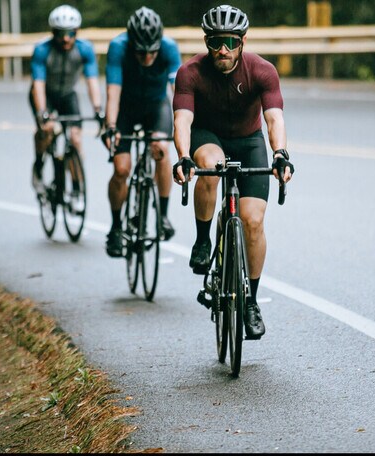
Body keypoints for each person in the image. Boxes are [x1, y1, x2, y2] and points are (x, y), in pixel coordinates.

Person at [172, 4, 294, 340]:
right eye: (214, 42)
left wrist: (281, 153)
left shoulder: (262, 70)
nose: (221, 49)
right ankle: (201, 241)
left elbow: (274, 118)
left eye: (229, 41)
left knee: (253, 221)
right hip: (208, 138)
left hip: (249, 140)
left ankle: (251, 302)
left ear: (241, 41)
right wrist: (183, 156)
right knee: (211, 166)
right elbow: (182, 120)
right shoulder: (190, 73)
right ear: (206, 42)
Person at [101, 6, 181, 258]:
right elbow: (112, 93)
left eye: (151, 52)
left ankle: (163, 216)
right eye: (141, 52)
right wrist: (111, 127)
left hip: (156, 106)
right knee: (121, 168)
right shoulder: (118, 48)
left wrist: (185, 126)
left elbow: (178, 93)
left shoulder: (169, 48)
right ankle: (115, 227)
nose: (147, 57)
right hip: (126, 108)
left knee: (160, 148)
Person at [28, 5, 103, 198]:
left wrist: (98, 109)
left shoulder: (85, 49)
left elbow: (92, 81)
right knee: (47, 129)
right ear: (53, 33)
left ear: (76, 32)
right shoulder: (42, 50)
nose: (66, 38)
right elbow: (38, 84)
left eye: (70, 33)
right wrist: (42, 112)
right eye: (60, 33)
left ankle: (77, 187)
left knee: (76, 139)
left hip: (68, 95)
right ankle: (38, 163)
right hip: (46, 94)